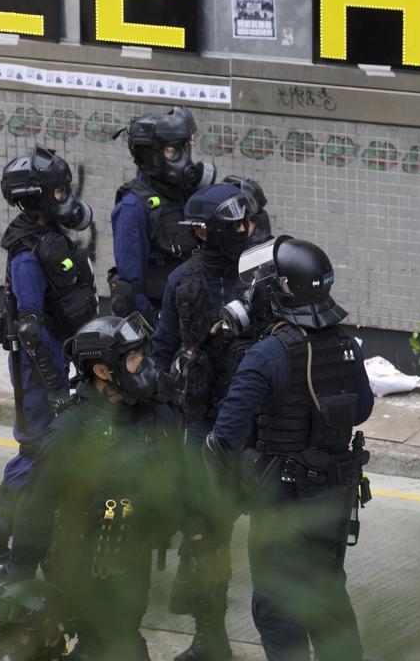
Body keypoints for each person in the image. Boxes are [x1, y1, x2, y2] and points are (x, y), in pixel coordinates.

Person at [207, 236, 374, 661]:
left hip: (280, 504)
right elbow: (363, 410)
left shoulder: (269, 354)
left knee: (279, 611)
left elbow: (224, 436)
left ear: (281, 290)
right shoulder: (347, 347)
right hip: (334, 500)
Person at [0, 313, 181, 661]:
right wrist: (19, 580)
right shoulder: (70, 431)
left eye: (142, 353)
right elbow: (36, 505)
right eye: (132, 358)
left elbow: (180, 477)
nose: (143, 365)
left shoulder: (154, 415)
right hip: (82, 563)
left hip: (134, 557)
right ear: (102, 371)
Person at [0, 146, 98, 576]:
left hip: (60, 360)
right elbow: (30, 328)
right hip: (38, 370)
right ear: (39, 198)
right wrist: (57, 385)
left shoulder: (50, 237)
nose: (66, 197)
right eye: (59, 191)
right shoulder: (26, 254)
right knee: (36, 452)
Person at [149, 182, 257, 661]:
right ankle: (210, 636)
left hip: (260, 421)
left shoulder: (264, 275)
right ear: (205, 234)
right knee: (203, 531)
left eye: (247, 223)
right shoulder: (182, 282)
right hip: (199, 419)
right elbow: (162, 349)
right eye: (235, 226)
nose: (247, 231)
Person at [109, 107, 216, 324]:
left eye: (186, 147)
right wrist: (158, 329)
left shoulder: (184, 194)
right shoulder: (133, 208)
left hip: (196, 310)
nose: (185, 158)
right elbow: (131, 288)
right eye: (172, 151)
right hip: (164, 321)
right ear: (150, 156)